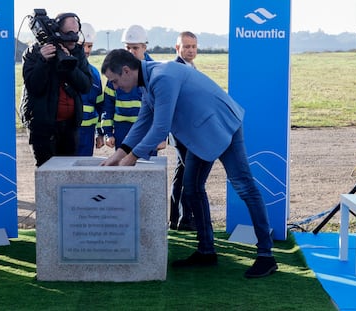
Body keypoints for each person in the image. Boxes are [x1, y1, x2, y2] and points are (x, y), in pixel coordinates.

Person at [99, 49, 278, 278]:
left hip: (223, 125)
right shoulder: (147, 82)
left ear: (126, 71)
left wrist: (132, 159)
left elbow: (161, 128)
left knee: (244, 187)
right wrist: (117, 156)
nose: (114, 87)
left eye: (114, 81)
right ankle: (206, 251)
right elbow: (144, 121)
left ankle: (266, 256)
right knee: (191, 189)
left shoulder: (162, 77)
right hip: (200, 133)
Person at [20, 12, 93, 167]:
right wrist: (43, 61)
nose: (73, 38)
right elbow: (34, 86)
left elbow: (86, 85)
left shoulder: (77, 52)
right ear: (57, 32)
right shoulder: (34, 53)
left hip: (70, 127)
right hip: (43, 128)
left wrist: (70, 64)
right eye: (69, 33)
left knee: (68, 174)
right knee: (46, 173)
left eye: (76, 33)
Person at [100, 25, 162, 155]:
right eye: (128, 47)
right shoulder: (115, 72)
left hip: (147, 129)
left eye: (135, 48)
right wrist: (107, 132)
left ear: (144, 48)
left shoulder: (154, 73)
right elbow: (108, 105)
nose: (131, 51)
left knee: (148, 169)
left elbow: (162, 107)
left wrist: (162, 136)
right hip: (122, 128)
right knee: (124, 168)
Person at [169, 31, 198, 231]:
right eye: (186, 46)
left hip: (188, 131)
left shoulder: (191, 67)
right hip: (182, 132)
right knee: (189, 175)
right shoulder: (175, 70)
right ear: (177, 48)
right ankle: (185, 219)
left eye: (193, 46)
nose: (190, 50)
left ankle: (176, 218)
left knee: (182, 173)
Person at [75, 22, 104, 156]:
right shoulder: (64, 70)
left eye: (90, 46)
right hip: (69, 131)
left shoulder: (95, 73)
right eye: (83, 45)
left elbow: (99, 105)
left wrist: (100, 133)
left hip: (88, 133)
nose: (86, 50)